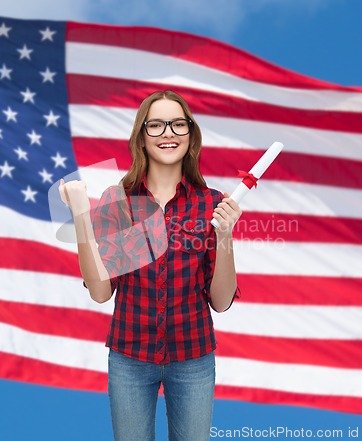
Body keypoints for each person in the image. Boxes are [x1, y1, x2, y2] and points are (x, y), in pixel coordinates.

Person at [59, 90, 241, 441]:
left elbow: (220, 301)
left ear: (191, 135)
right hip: (129, 357)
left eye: (177, 124)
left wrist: (225, 235)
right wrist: (80, 215)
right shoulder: (120, 199)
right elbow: (100, 292)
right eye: (155, 125)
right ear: (141, 138)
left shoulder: (212, 203)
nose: (168, 133)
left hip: (193, 358)